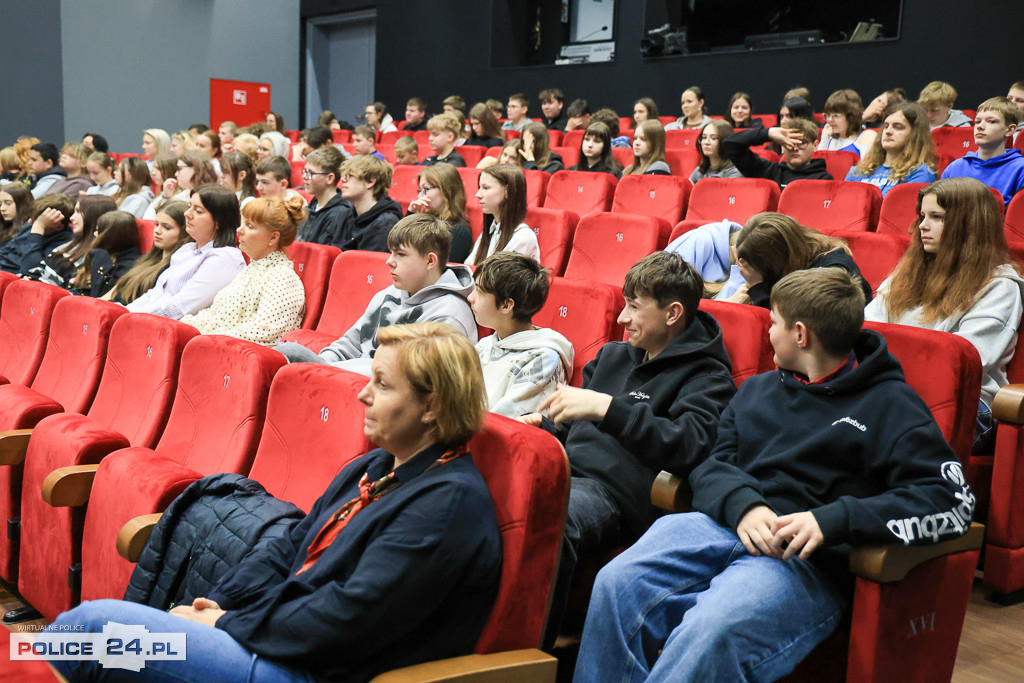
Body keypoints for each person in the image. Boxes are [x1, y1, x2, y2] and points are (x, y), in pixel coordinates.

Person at [573, 267, 974, 682]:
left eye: (774, 323)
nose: (767, 334)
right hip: (721, 524)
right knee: (617, 582)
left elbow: (952, 502)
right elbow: (711, 462)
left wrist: (832, 519)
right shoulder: (758, 390)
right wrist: (744, 506)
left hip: (801, 559)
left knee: (712, 629)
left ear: (800, 335)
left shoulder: (893, 406)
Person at [43, 320, 501, 683]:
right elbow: (288, 549)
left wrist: (225, 626)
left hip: (312, 669)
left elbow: (346, 619)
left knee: (91, 632)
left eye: (382, 384)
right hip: (272, 640)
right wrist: (213, 605)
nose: (362, 393)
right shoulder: (374, 468)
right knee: (78, 639)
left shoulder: (448, 506)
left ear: (432, 406)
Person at [522, 251, 737, 645]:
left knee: (546, 515)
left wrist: (608, 409)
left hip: (615, 496)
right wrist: (544, 429)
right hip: (566, 469)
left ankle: (525, 655)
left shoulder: (708, 376)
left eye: (634, 307)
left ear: (672, 314)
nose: (621, 318)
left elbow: (690, 446)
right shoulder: (612, 356)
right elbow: (572, 425)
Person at [866, 177, 1024, 451]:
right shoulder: (908, 272)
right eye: (922, 216)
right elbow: (867, 330)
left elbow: (965, 359)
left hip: (965, 403)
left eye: (937, 217)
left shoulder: (1000, 286)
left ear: (969, 225)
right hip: (893, 389)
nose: (922, 226)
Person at [276, 214, 478, 374]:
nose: (389, 261)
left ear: (430, 261)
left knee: (290, 354)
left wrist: (326, 370)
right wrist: (321, 365)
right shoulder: (388, 294)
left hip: (390, 402)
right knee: (283, 358)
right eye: (391, 253)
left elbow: (413, 382)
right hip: (351, 383)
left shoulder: (450, 315)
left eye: (401, 255)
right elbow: (349, 345)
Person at [181, 196, 306, 345]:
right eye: (242, 223)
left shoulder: (283, 277)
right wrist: (183, 327)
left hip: (238, 357)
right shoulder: (250, 270)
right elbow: (215, 314)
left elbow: (266, 331)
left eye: (250, 226)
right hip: (215, 347)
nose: (239, 230)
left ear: (273, 237)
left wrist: (209, 338)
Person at [470, 251, 573, 418]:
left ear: (506, 305)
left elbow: (506, 421)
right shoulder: (484, 345)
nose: (470, 297)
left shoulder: (543, 359)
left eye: (479, 291)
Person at [126, 184, 245, 319]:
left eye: (198, 211)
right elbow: (156, 293)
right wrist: (126, 311)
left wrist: (131, 316)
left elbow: (182, 308)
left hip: (178, 330)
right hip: (150, 319)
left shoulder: (224, 258)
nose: (187, 214)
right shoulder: (187, 249)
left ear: (219, 222)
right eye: (189, 207)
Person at [726, 212, 872, 308]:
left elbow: (795, 325)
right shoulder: (798, 253)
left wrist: (757, 287)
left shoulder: (833, 272)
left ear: (776, 265)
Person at [942, 96, 1024, 207]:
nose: (980, 126)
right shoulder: (955, 168)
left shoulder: (1020, 169)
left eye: (991, 121)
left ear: (1010, 130)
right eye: (978, 121)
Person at [106, 201, 191, 305]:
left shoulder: (172, 270)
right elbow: (113, 293)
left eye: (166, 227)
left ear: (184, 232)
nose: (157, 231)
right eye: (157, 224)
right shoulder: (146, 259)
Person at [845, 102, 937, 196]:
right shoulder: (857, 171)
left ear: (915, 135)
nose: (888, 131)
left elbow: (902, 209)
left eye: (898, 127)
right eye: (886, 126)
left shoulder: (920, 173)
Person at [23, 194, 116, 287]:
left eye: (78, 211)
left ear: (93, 216)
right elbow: (36, 270)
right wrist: (29, 277)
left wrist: (39, 227)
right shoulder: (70, 244)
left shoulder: (96, 256)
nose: (72, 217)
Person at [723, 118, 833, 188]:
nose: (795, 148)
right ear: (782, 147)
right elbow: (731, 145)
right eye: (789, 142)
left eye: (802, 143)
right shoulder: (767, 171)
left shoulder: (823, 179)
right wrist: (768, 133)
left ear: (815, 146)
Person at [467, 164, 539, 266]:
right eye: (479, 187)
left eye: (486, 188)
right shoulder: (490, 231)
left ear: (507, 191)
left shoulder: (523, 237)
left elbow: (500, 279)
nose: (477, 194)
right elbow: (469, 267)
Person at [407, 163, 474, 263]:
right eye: (420, 190)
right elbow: (396, 252)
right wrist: (411, 218)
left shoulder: (459, 231)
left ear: (446, 191)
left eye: (425, 189)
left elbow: (435, 271)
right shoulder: (424, 222)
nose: (420, 196)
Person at [337, 154, 403, 252]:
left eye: (350, 176)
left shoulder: (385, 223)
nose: (343, 180)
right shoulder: (345, 215)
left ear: (370, 182)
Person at [0, 193, 74, 275]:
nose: (29, 222)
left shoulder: (63, 243)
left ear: (58, 226)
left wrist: (38, 228)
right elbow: (6, 250)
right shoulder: (32, 224)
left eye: (36, 221)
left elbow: (31, 271)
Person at [72, 211, 141, 297]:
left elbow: (98, 294)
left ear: (108, 236)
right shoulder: (106, 255)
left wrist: (100, 257)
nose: (94, 234)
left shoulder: (128, 266)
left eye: (98, 231)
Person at [297, 146, 352, 247]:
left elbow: (328, 254)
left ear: (330, 178)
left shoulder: (339, 213)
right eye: (305, 171)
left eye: (310, 173)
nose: (304, 176)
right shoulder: (313, 205)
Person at [818, 89, 877, 156]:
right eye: (827, 115)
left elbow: (868, 165)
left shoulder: (867, 136)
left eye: (836, 116)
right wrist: (824, 139)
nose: (829, 120)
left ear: (850, 117)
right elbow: (818, 164)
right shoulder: (830, 138)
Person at [141, 154, 184, 220]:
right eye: (154, 168)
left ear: (170, 170)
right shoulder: (162, 193)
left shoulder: (178, 197)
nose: (153, 173)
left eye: (158, 169)